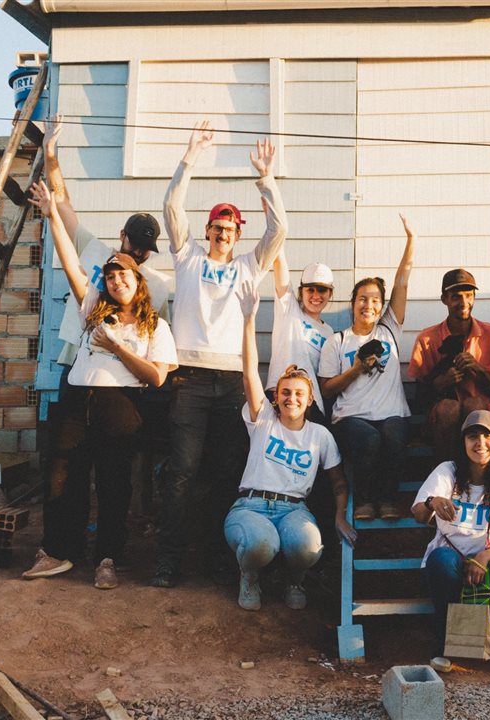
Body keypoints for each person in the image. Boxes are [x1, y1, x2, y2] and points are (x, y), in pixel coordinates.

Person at [151, 121, 288, 588]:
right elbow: (171, 205)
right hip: (188, 379)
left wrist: (266, 179)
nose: (224, 234)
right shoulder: (187, 256)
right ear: (207, 229)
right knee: (181, 473)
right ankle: (168, 561)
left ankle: (216, 559)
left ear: (237, 233)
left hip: (232, 382)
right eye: (218, 227)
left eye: (231, 229)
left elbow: (280, 228)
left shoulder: (252, 266)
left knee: (226, 473)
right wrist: (190, 156)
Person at [23, 180, 178, 590]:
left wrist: (116, 347)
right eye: (110, 277)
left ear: (138, 281)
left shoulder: (155, 326)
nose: (115, 281)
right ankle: (58, 551)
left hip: (121, 405)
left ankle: (107, 558)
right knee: (61, 474)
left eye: (123, 276)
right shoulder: (92, 309)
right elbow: (70, 260)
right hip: (78, 398)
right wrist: (51, 213)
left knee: (113, 483)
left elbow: (158, 376)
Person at [39, 113, 173, 519]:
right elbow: (62, 203)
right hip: (75, 365)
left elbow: (152, 338)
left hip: (123, 383)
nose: (141, 254)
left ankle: (111, 542)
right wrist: (50, 153)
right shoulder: (95, 252)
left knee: (116, 468)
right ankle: (70, 538)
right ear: (123, 236)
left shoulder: (155, 285)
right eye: (137, 244)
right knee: (68, 462)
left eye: (148, 249)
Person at [223, 290, 356, 611]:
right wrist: (249, 318)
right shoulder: (263, 420)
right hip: (251, 507)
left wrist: (339, 515)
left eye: (298, 393)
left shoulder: (320, 436)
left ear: (309, 400)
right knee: (261, 544)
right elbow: (249, 372)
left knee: (309, 545)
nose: (291, 398)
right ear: (276, 396)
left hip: (294, 510)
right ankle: (249, 575)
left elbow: (338, 482)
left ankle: (293, 580)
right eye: (285, 392)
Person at [412, 410, 490, 676]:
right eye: (473, 436)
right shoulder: (448, 471)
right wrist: (432, 502)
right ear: (463, 442)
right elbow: (418, 514)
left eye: (487, 436)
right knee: (441, 560)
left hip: (489, 564)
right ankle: (444, 641)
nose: (480, 443)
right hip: (451, 562)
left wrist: (483, 557)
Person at [318, 215, 415, 521]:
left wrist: (411, 241)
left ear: (382, 305)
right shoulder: (337, 341)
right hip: (351, 418)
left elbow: (402, 281)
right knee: (369, 440)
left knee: (394, 435)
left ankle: (387, 499)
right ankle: (364, 499)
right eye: (362, 299)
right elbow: (326, 389)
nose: (368, 305)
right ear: (353, 303)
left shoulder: (389, 329)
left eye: (375, 300)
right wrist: (355, 370)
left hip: (391, 414)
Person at [409, 269, 490, 460]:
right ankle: (447, 478)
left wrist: (479, 371)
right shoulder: (427, 338)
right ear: (444, 299)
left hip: (483, 417)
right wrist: (441, 382)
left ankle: (479, 481)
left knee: (475, 405)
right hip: (442, 422)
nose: (464, 303)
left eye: (469, 296)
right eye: (456, 297)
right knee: (449, 408)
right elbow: (419, 400)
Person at [267, 250, 335, 420]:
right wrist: (279, 232)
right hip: (280, 395)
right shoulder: (289, 310)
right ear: (300, 292)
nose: (316, 296)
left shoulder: (330, 333)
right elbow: (279, 263)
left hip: (311, 404)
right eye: (310, 290)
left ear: (330, 294)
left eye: (322, 290)